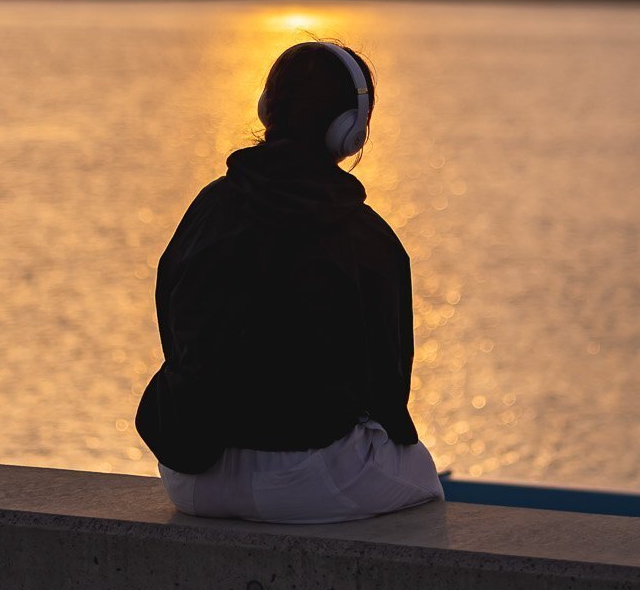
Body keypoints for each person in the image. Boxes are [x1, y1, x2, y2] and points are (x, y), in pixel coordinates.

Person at [135, 39, 444, 524]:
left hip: (191, 476)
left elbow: (173, 331)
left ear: (266, 108)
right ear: (351, 130)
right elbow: (389, 392)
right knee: (423, 479)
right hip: (308, 482)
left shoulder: (207, 209)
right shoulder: (367, 238)